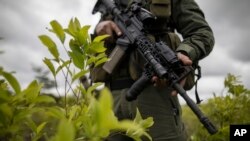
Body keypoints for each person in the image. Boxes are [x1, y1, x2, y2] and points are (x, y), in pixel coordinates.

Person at [90, 0, 214, 140]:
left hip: (155, 97)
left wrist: (185, 53)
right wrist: (98, 29)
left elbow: (201, 32)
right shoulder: (112, 4)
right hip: (111, 99)